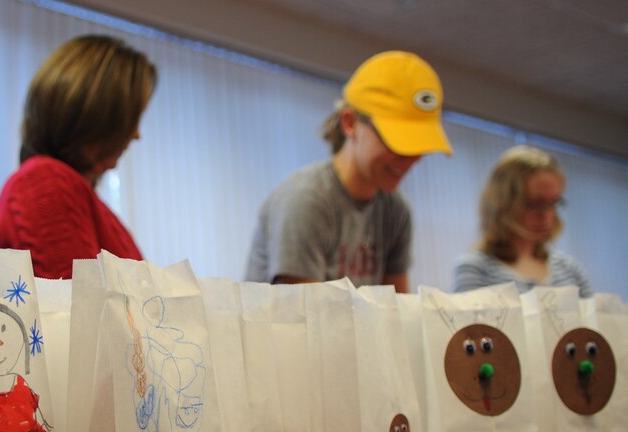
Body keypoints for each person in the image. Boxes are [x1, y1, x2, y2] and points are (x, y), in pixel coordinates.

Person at [244, 51, 452, 291]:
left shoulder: (395, 211)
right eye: (400, 143)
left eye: (420, 146)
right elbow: (304, 321)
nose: (411, 159)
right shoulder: (307, 199)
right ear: (350, 123)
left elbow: (398, 313)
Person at [0, 35, 157, 279]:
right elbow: (79, 310)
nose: (136, 134)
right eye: (130, 120)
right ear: (96, 116)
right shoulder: (46, 182)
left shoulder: (76, 195)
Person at [452, 145, 593, 297]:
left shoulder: (569, 269)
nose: (547, 215)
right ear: (502, 203)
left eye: (553, 203)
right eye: (534, 204)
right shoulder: (476, 268)